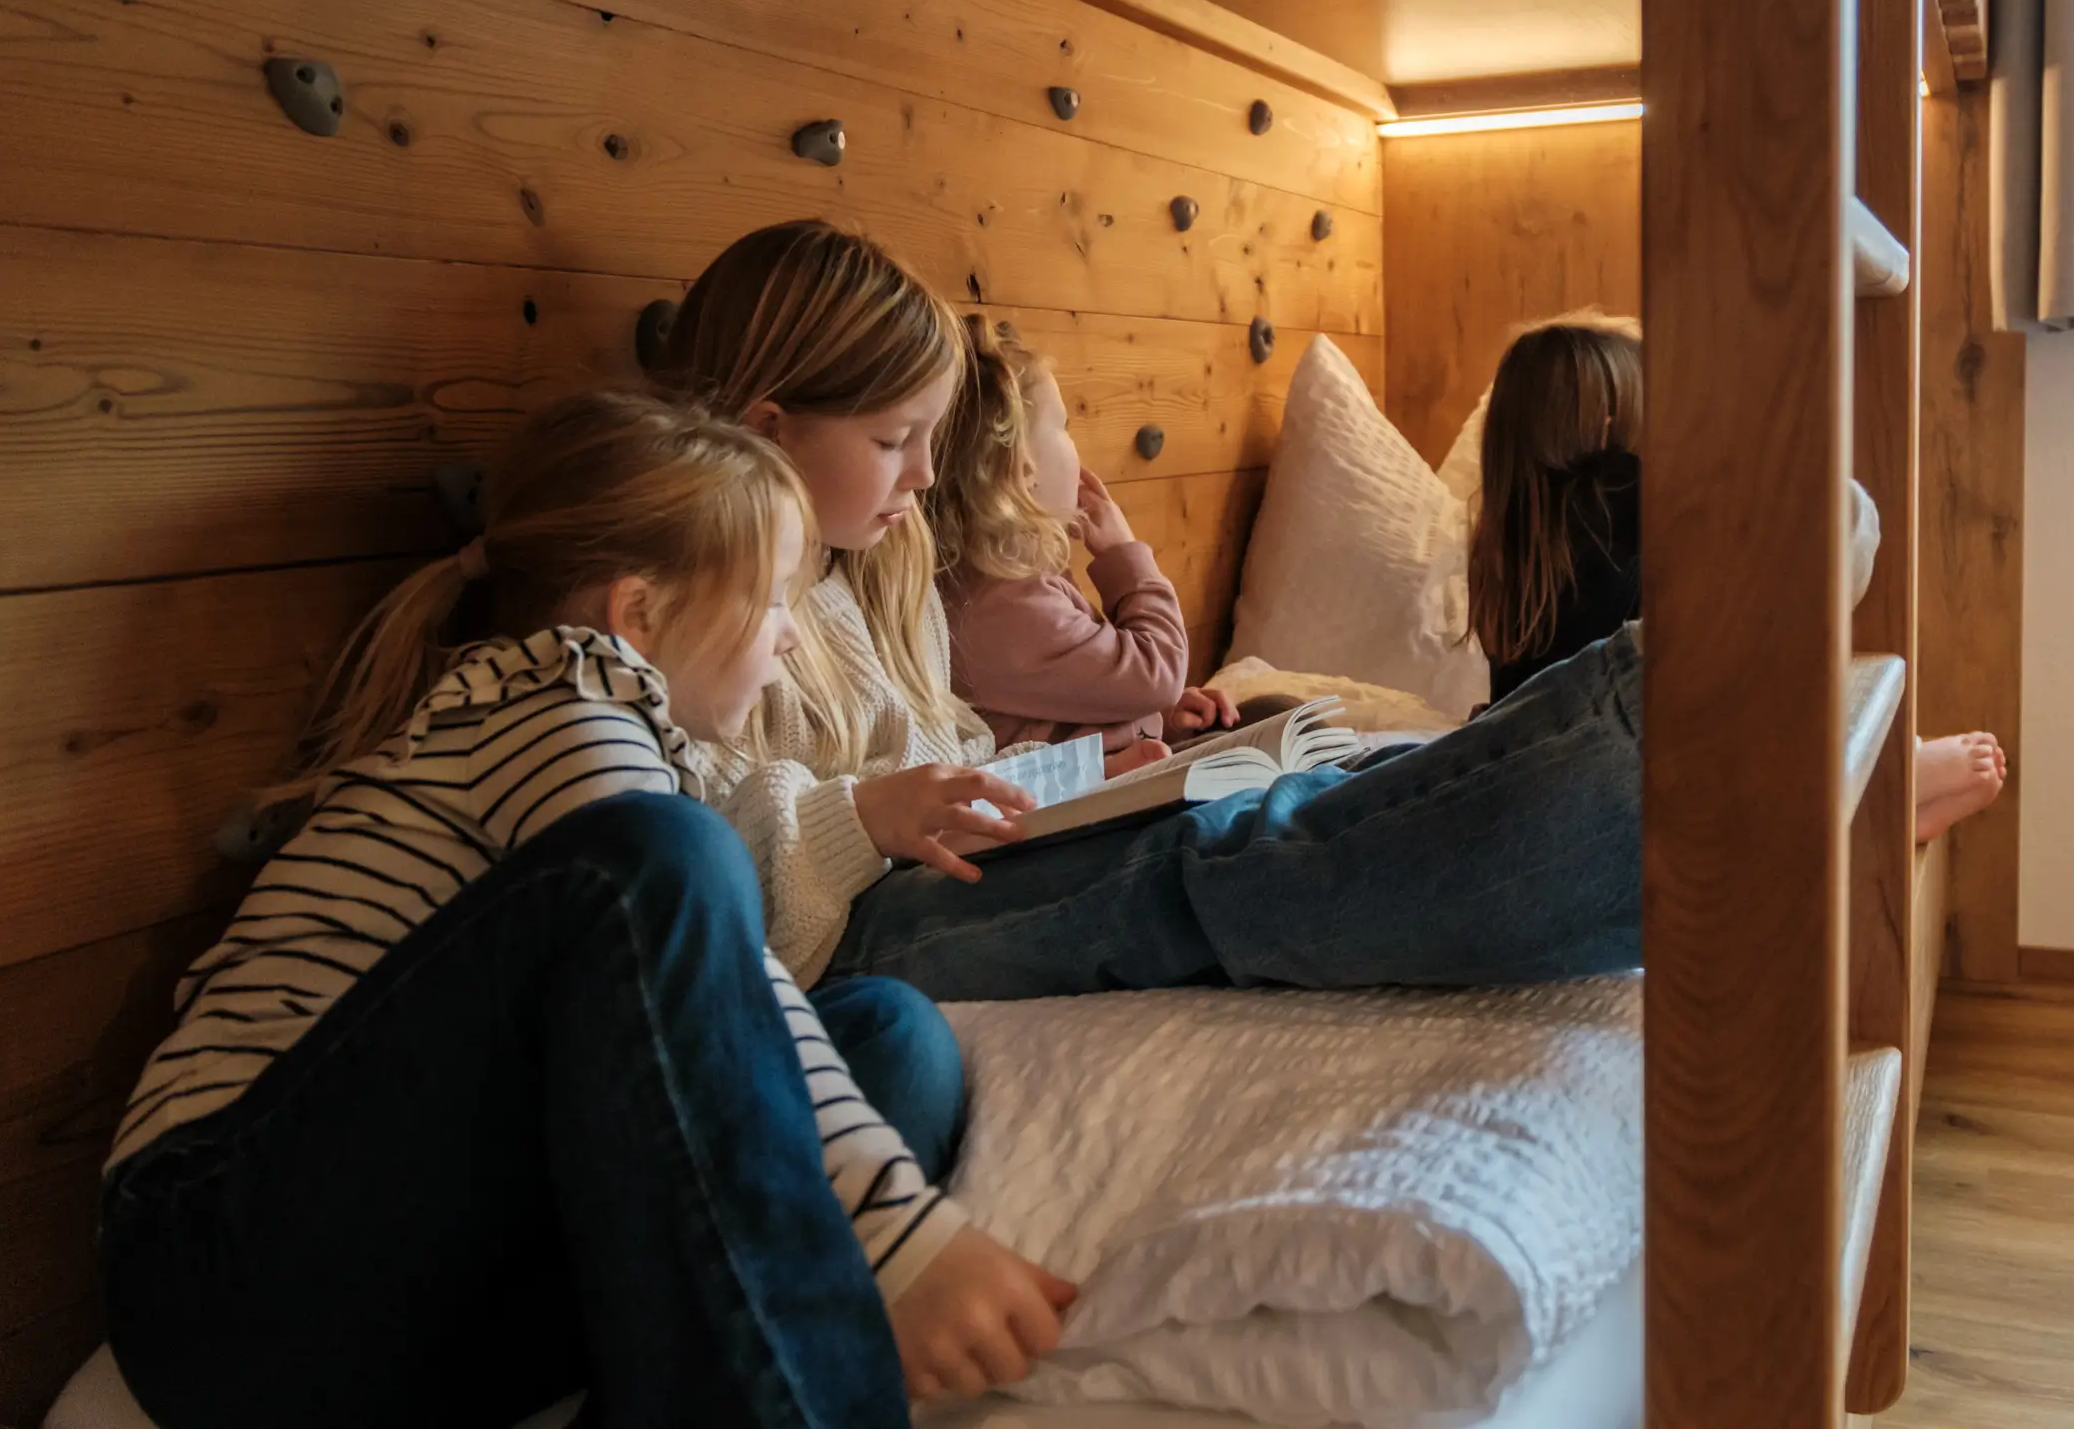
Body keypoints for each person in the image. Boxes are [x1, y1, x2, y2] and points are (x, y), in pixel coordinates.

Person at [100, 390, 1070, 1428]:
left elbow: (712, 1028)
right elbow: (717, 959)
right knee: (662, 857)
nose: (788, 641)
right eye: (773, 602)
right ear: (639, 616)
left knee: (888, 1036)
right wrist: (898, 1231)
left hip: (429, 1281)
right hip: (222, 1260)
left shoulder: (615, 743)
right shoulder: (548, 698)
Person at [652, 220, 1645, 1006]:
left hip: (950, 860)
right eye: (891, 439)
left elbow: (943, 754)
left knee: (1281, 781)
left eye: (929, 437)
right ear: (767, 430)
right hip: (856, 932)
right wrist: (866, 817)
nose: (922, 472)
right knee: (1204, 866)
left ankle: (1605, 759)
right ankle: (1612, 756)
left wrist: (1077, 773)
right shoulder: (692, 609)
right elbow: (682, 867)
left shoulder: (870, 561)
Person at [1463, 316, 2005, 841]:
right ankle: (1878, 778)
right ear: (1610, 426)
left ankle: (1870, 802)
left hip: (1549, 786)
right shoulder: (1616, 487)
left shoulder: (1507, 542)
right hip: (1642, 776)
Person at [932, 316, 1238, 756]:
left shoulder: (1009, 581)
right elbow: (1157, 671)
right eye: (1065, 428)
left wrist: (1161, 719)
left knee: (1272, 713)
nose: (1075, 449)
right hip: (1080, 809)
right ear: (1021, 471)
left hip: (1106, 778)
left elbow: (1072, 708)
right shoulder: (1005, 602)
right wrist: (1123, 557)